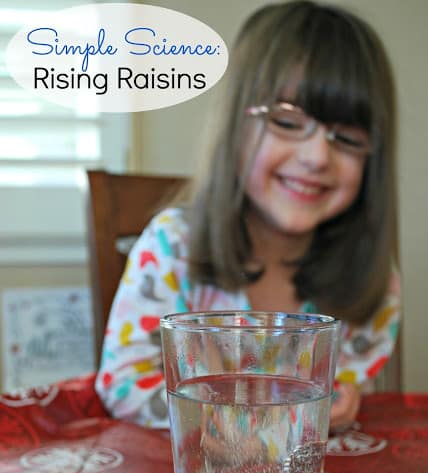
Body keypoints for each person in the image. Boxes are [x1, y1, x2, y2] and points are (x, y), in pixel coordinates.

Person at [95, 0, 401, 431]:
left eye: (348, 138)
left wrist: (340, 406)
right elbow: (123, 384)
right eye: (287, 122)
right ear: (235, 128)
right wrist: (214, 416)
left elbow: (339, 392)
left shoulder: (372, 283)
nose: (316, 157)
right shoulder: (173, 247)